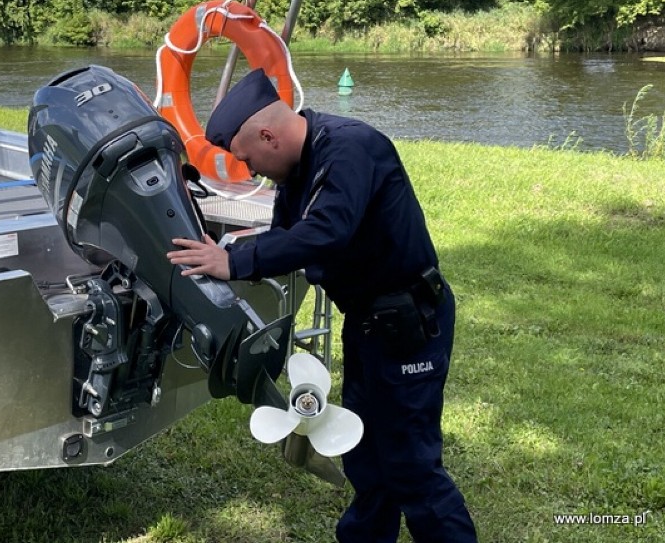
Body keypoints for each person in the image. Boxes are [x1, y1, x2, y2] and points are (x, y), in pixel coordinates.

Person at [166, 68, 478, 543]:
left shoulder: (350, 147)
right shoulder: (294, 169)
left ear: (269, 134)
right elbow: (284, 237)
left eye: (248, 159)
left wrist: (233, 263)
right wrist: (226, 245)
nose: (250, 173)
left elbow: (324, 233)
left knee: (411, 466)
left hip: (411, 322)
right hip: (369, 324)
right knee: (364, 451)